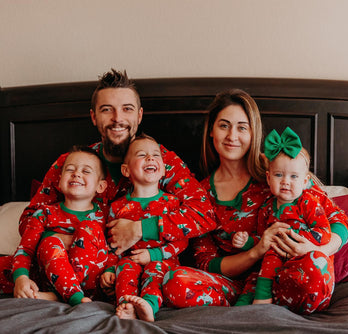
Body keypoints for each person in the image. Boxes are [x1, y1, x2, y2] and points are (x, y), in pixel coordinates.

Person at [0, 69, 216, 294]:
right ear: (94, 116)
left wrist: (140, 229)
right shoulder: (73, 164)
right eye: (106, 110)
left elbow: (204, 214)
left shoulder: (160, 161)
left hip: (136, 269)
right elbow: (30, 218)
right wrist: (73, 240)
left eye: (127, 109)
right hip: (65, 262)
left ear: (139, 116)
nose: (118, 118)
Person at [161, 89, 348, 315]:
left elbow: (339, 220)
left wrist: (316, 248)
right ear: (211, 130)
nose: (232, 135)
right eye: (224, 125)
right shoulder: (200, 194)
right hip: (237, 287)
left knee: (315, 266)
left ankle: (269, 307)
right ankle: (251, 307)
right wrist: (256, 251)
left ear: (253, 133)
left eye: (242, 127)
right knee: (174, 281)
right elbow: (205, 263)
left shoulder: (280, 173)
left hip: (292, 274)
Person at [234, 127, 332, 306]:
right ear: (269, 178)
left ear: (304, 181)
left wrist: (295, 238)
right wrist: (247, 241)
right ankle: (239, 316)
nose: (286, 181)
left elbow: (324, 231)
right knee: (252, 282)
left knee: (275, 255)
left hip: (302, 260)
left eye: (294, 176)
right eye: (279, 175)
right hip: (271, 268)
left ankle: (262, 302)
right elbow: (262, 239)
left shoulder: (308, 202)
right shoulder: (266, 208)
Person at [100, 134, 188, 322]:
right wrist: (108, 268)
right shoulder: (118, 207)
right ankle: (126, 305)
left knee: (155, 271)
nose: (150, 158)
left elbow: (182, 241)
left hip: (163, 261)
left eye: (156, 155)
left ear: (164, 169)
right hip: (129, 259)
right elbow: (112, 244)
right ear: (126, 170)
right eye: (141, 155)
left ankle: (149, 305)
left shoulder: (171, 203)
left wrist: (153, 255)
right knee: (123, 268)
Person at [11, 145, 108, 306]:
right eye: (70, 169)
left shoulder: (104, 215)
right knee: (49, 242)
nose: (76, 173)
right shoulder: (44, 214)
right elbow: (25, 249)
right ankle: (64, 294)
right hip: (49, 278)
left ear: (101, 186)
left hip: (92, 283)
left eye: (86, 171)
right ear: (59, 181)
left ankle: (66, 295)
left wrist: (111, 272)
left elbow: (113, 251)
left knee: (88, 227)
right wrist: (21, 278)